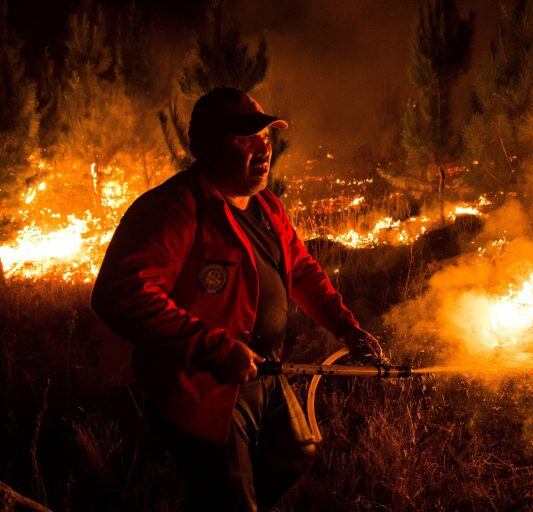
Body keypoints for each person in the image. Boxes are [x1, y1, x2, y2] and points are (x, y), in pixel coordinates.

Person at [90, 87, 385, 511]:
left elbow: (301, 270)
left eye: (265, 136)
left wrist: (346, 328)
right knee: (229, 495)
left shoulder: (266, 206)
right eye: (245, 137)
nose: (263, 147)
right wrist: (215, 348)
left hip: (264, 369)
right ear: (207, 145)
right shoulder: (175, 209)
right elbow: (122, 293)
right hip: (203, 385)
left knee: (297, 451)